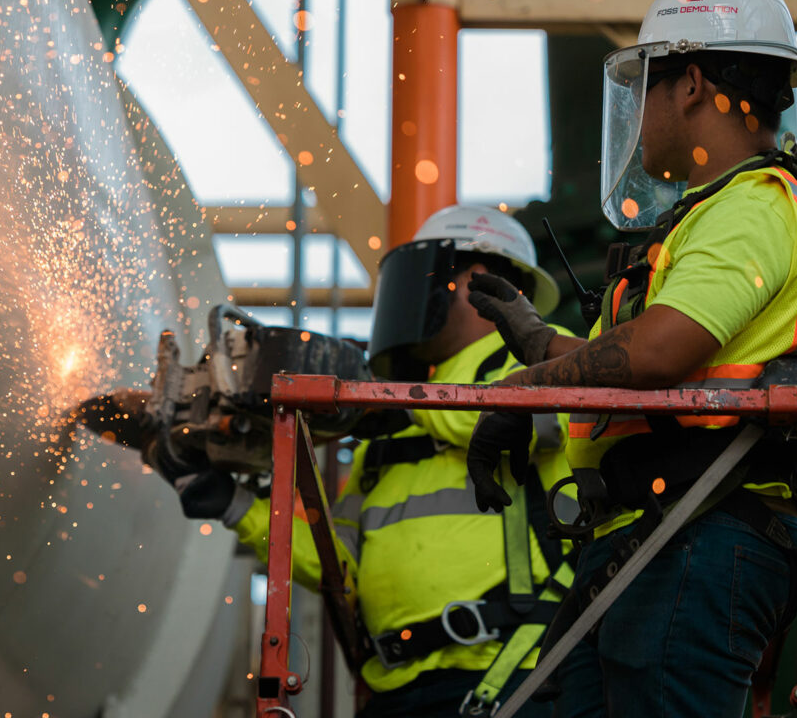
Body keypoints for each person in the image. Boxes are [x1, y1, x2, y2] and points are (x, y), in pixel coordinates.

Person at [465, 0, 797, 718]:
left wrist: (520, 394)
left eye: (646, 83)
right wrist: (537, 343)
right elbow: (619, 366)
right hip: (657, 534)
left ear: (688, 84)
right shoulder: (705, 218)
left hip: (696, 533)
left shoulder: (750, 206)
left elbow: (654, 354)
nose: (639, 111)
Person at [176, 205, 577, 717]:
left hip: (513, 676)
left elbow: (504, 417)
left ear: (480, 283)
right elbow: (340, 563)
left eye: (428, 279)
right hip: (397, 691)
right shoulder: (390, 424)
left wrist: (390, 399)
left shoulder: (544, 367)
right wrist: (233, 504)